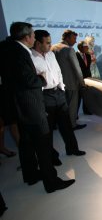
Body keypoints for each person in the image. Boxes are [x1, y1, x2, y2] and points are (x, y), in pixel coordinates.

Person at [7, 22, 75, 193]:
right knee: (43, 144)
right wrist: (42, 80)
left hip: (23, 106)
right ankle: (51, 182)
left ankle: (31, 175)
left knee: (27, 142)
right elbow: (28, 80)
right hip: (32, 105)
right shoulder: (22, 53)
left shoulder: (8, 49)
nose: (33, 38)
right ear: (28, 37)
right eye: (32, 35)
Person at [31, 30, 86, 165]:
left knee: (66, 125)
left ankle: (72, 149)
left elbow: (58, 71)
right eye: (47, 42)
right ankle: (52, 157)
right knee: (47, 129)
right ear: (38, 43)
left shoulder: (51, 53)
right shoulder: (30, 57)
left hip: (59, 93)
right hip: (45, 95)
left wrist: (61, 87)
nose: (50, 45)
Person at [51, 30, 86, 130]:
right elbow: (77, 68)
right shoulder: (69, 50)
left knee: (61, 105)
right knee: (72, 105)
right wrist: (82, 83)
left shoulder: (52, 48)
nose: (75, 41)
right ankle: (72, 125)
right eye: (74, 38)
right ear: (67, 38)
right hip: (70, 83)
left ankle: (60, 124)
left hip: (57, 83)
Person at [0, 37, 20, 158]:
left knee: (10, 123)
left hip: (6, 93)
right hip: (4, 95)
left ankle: (2, 148)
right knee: (12, 123)